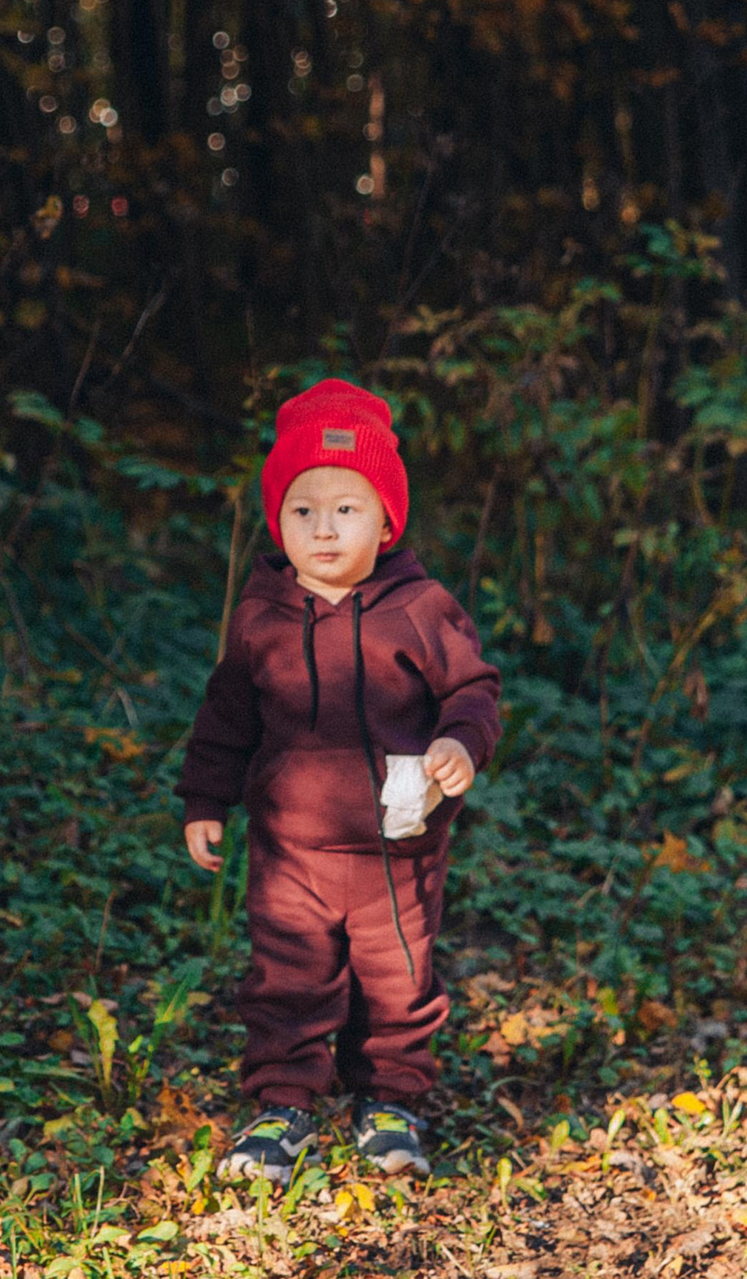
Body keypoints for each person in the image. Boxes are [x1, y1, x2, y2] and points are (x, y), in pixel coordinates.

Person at [178, 378, 501, 1181]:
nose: (323, 528)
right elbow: (228, 716)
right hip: (290, 848)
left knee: (397, 980)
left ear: (387, 518)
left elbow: (473, 689)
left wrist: (460, 742)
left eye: (346, 509)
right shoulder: (261, 617)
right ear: (277, 521)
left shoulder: (421, 608)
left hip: (396, 849)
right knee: (286, 976)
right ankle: (282, 1105)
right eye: (302, 510)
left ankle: (389, 1103)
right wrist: (204, 799)